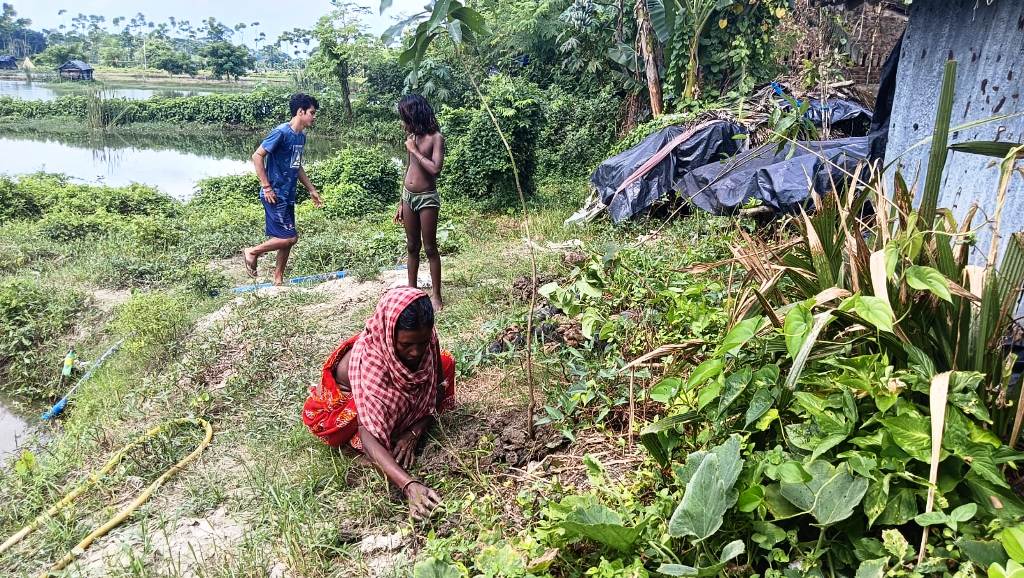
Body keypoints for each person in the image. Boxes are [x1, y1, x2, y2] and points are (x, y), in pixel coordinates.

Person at [302, 287, 456, 519]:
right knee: (360, 422)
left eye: (422, 343)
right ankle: (360, 454)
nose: (416, 353)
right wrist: (409, 485)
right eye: (406, 345)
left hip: (388, 400)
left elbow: (436, 385)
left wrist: (414, 432)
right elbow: (368, 433)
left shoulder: (427, 339)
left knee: (444, 362)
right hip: (346, 408)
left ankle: (400, 425)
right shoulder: (371, 361)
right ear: (388, 334)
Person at [243, 93, 323, 285]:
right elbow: (257, 156)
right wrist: (266, 186)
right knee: (289, 238)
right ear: (300, 111)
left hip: (288, 194)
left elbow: (297, 166)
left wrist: (311, 189)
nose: (314, 116)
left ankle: (278, 280)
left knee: (285, 237)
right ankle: (252, 251)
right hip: (275, 194)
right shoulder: (281, 132)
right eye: (311, 112)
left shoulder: (301, 137)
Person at [394, 94, 445, 312]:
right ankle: (410, 292)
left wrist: (414, 150)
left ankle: (437, 296)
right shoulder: (412, 136)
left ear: (415, 115)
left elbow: (435, 169)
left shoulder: (436, 138)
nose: (403, 122)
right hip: (408, 197)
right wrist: (400, 202)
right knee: (412, 246)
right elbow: (409, 167)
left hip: (426, 198)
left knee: (430, 247)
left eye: (405, 117)